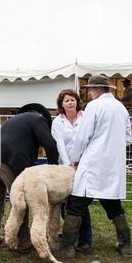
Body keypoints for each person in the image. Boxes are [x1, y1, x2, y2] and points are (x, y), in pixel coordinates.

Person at [59, 75, 132, 257]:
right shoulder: (121, 108)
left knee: (76, 204)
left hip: (92, 164)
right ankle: (125, 245)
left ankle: (67, 246)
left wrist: (75, 159)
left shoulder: (94, 106)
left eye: (90, 90)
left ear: (98, 89)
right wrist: (111, 147)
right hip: (112, 165)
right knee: (113, 204)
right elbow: (128, 139)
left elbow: (82, 137)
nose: (89, 93)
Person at [0, 103, 59, 253]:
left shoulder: (16, 120)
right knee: (20, 200)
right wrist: (54, 167)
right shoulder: (38, 119)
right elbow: (49, 143)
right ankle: (23, 242)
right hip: (7, 160)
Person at [51, 89, 92, 252]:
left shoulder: (86, 117)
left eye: (72, 99)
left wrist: (80, 162)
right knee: (64, 201)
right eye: (66, 100)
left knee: (80, 201)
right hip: (66, 166)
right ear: (61, 104)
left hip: (84, 164)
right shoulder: (57, 122)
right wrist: (69, 166)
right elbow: (59, 144)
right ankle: (70, 234)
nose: (70, 102)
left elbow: (88, 139)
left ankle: (85, 239)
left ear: (77, 101)